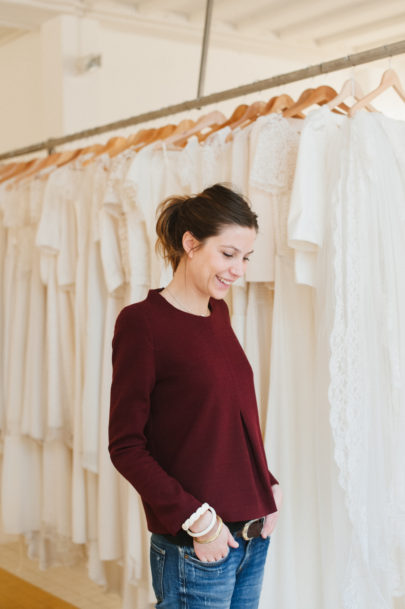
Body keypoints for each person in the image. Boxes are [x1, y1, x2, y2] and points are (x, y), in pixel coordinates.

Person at [109, 183, 282, 609]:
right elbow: (126, 446)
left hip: (252, 534)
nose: (238, 269)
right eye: (228, 254)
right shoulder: (142, 324)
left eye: (245, 257)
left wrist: (267, 485)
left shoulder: (218, 311)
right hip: (197, 545)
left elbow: (233, 413)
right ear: (190, 243)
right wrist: (198, 520)